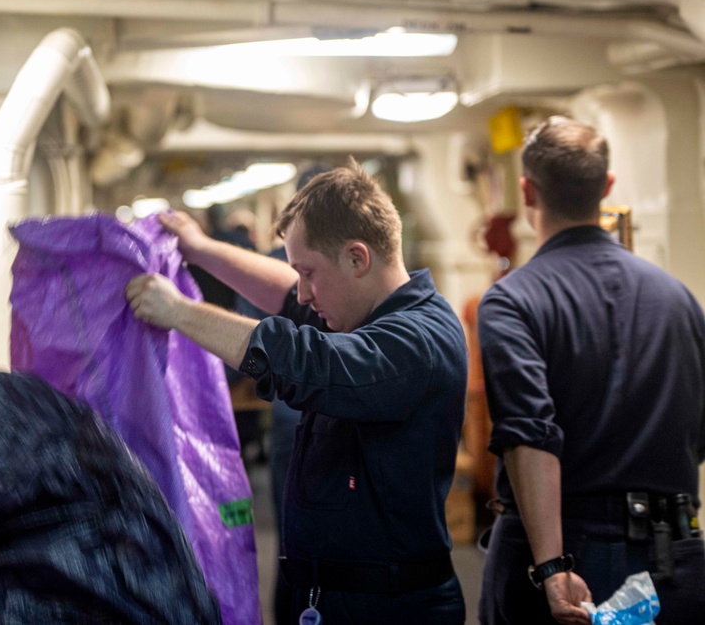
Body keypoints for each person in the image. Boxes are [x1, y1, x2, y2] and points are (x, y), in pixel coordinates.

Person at [126, 160, 468, 623]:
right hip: (335, 594)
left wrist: (181, 313)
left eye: (310, 273)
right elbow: (286, 294)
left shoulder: (415, 343)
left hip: (387, 608)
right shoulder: (364, 312)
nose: (304, 294)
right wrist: (202, 250)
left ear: (357, 258)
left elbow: (303, 363)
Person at [477, 116, 705, 625]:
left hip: (567, 559)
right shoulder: (679, 299)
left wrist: (551, 565)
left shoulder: (514, 301)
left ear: (527, 191)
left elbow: (529, 434)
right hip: (672, 559)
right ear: (606, 187)